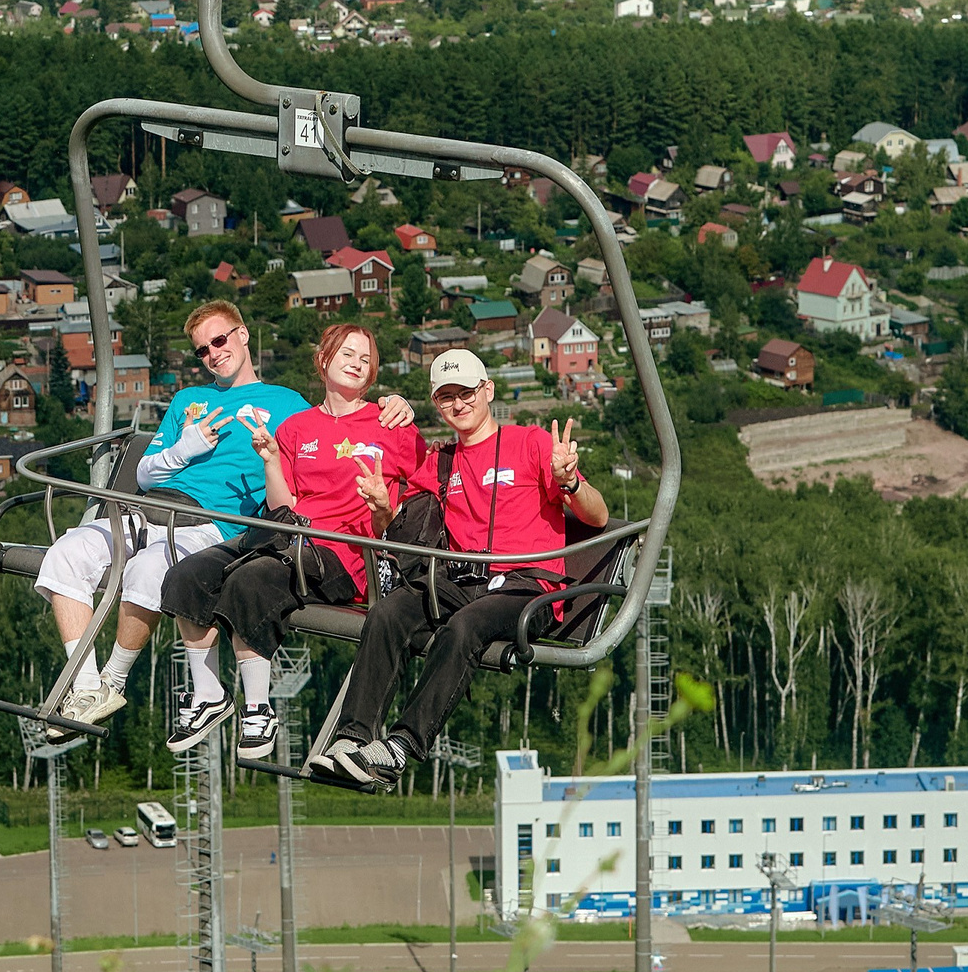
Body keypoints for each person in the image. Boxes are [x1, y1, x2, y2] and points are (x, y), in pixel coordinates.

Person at [30, 300, 413, 734]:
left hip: (210, 525)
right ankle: (86, 688)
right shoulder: (187, 400)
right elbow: (144, 473)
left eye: (219, 340)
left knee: (149, 571)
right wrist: (185, 447)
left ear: (242, 334)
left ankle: (113, 679)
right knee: (65, 553)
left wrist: (395, 403)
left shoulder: (286, 404)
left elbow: (335, 420)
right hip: (150, 508)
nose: (213, 354)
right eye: (202, 350)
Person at [305, 347, 607, 788]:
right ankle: (353, 737)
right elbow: (398, 528)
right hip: (460, 580)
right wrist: (384, 508)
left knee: (464, 627)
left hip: (526, 587)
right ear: (437, 403)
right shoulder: (442, 461)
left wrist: (571, 482)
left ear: (487, 391)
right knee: (388, 612)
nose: (459, 404)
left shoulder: (531, 444)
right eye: (447, 397)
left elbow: (597, 517)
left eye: (466, 393)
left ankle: (400, 746)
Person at [157, 322, 432, 760]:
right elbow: (281, 505)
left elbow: (429, 489)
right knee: (187, 574)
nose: (357, 364)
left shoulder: (388, 424)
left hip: (344, 554)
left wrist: (403, 413)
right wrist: (270, 461)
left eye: (365, 359)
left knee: (252, 579)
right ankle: (208, 694)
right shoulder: (297, 427)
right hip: (289, 536)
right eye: (347, 354)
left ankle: (257, 710)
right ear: (323, 360)